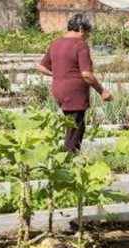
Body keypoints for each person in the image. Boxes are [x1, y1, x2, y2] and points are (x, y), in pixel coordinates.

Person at [37, 13, 112, 153]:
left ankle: (68, 158)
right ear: (82, 29)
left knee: (71, 126)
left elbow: (41, 67)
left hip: (58, 90)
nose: (87, 37)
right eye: (87, 33)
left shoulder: (55, 43)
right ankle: (69, 161)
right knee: (76, 128)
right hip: (74, 93)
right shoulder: (80, 45)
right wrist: (102, 91)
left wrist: (58, 74)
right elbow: (86, 74)